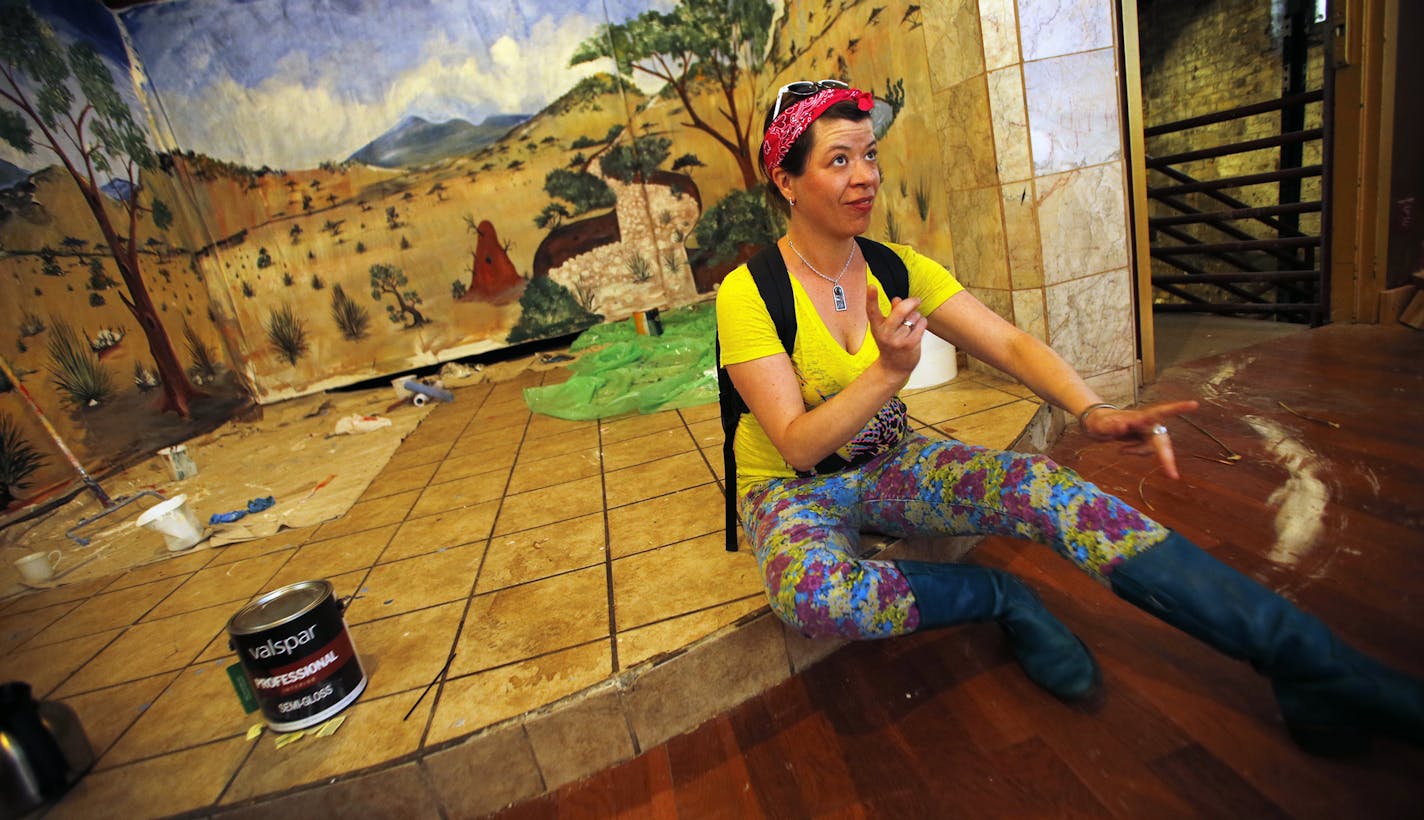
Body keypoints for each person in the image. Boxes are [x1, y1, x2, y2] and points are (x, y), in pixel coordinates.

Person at [715, 79, 1423, 755]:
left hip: (892, 466)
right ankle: (1000, 596)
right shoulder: (749, 294)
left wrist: (1093, 408)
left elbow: (1011, 343)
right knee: (815, 598)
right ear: (786, 180)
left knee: (1047, 489)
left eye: (868, 154)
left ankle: (1314, 666)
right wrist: (888, 372)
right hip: (791, 486)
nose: (865, 175)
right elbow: (799, 445)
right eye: (839, 160)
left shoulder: (896, 267)